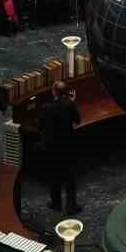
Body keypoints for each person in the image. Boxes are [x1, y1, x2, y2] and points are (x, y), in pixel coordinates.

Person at [40, 79, 81, 215]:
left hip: (52, 147)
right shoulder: (70, 105)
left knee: (54, 175)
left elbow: (41, 126)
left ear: (54, 92)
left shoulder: (47, 108)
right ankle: (71, 206)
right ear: (67, 92)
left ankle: (56, 203)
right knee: (70, 177)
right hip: (67, 145)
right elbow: (77, 121)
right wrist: (72, 102)